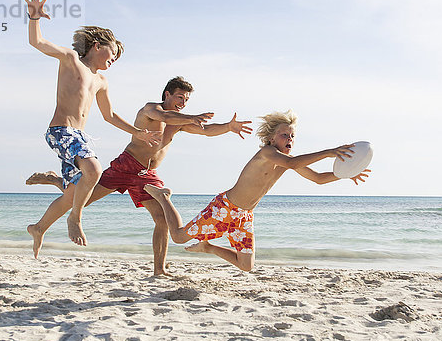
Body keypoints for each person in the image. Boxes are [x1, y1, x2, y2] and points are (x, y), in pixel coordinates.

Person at [26, 76, 253, 275]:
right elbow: (165, 115)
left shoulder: (179, 122)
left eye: (186, 100)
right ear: (167, 94)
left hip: (147, 175)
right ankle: (56, 183)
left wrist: (228, 127)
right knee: (81, 200)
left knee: (162, 220)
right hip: (125, 167)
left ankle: (159, 269)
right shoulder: (151, 110)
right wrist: (191, 116)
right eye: (180, 98)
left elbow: (206, 130)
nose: (183, 104)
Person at [144, 110, 370, 272]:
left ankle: (208, 247)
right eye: (284, 134)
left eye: (292, 136)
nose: (289, 139)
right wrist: (330, 151)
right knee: (178, 236)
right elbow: (292, 164)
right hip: (225, 208)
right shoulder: (267, 153)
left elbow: (318, 179)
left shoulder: (288, 160)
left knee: (246, 266)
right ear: (272, 138)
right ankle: (164, 198)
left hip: (244, 216)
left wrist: (345, 174)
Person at [22, 0, 162, 250]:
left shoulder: (101, 81)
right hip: (61, 131)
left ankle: (38, 227)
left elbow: (109, 116)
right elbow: (38, 43)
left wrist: (138, 132)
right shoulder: (71, 59)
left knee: (74, 193)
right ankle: (75, 218)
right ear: (97, 46)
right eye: (112, 54)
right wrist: (34, 18)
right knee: (94, 170)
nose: (114, 61)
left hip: (80, 136)